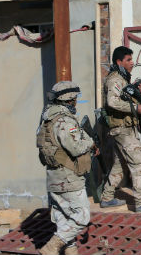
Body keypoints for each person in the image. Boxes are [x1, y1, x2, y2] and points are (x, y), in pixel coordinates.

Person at [99, 46, 141, 213]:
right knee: (138, 164)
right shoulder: (115, 80)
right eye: (128, 60)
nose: (132, 63)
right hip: (122, 130)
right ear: (119, 62)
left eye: (132, 59)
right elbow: (111, 102)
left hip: (124, 129)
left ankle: (107, 198)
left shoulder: (122, 79)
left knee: (119, 166)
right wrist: (136, 108)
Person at [36, 81, 95, 255]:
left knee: (64, 219)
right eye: (75, 98)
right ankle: (52, 246)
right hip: (68, 177)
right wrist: (90, 142)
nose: (76, 102)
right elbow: (75, 147)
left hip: (54, 176)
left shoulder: (46, 118)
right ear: (69, 100)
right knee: (82, 216)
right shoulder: (64, 120)